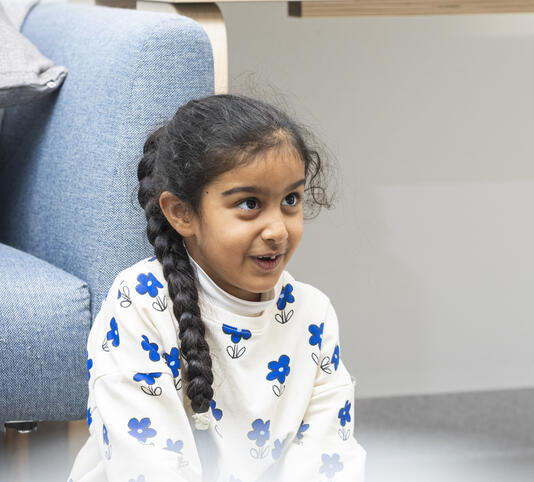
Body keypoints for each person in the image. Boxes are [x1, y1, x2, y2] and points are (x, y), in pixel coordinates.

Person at [69, 95, 366, 481]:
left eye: (290, 200)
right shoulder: (139, 304)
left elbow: (329, 457)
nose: (278, 230)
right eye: (249, 204)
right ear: (181, 213)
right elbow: (147, 466)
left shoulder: (312, 314)